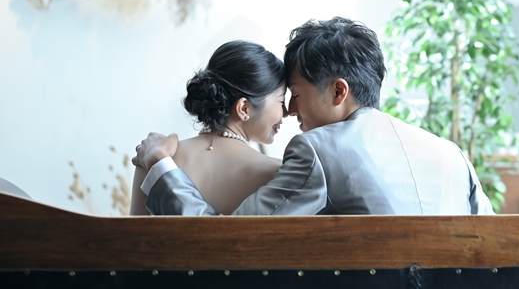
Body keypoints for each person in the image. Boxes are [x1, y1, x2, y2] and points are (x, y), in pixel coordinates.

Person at [134, 17, 494, 215]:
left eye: (296, 95)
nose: (290, 110)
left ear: (338, 92)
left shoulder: (317, 151)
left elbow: (227, 241)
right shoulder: (451, 154)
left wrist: (162, 167)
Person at [130, 40, 287, 215]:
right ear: (244, 108)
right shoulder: (280, 173)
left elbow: (133, 232)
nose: (287, 112)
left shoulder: (153, 156)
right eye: (281, 101)